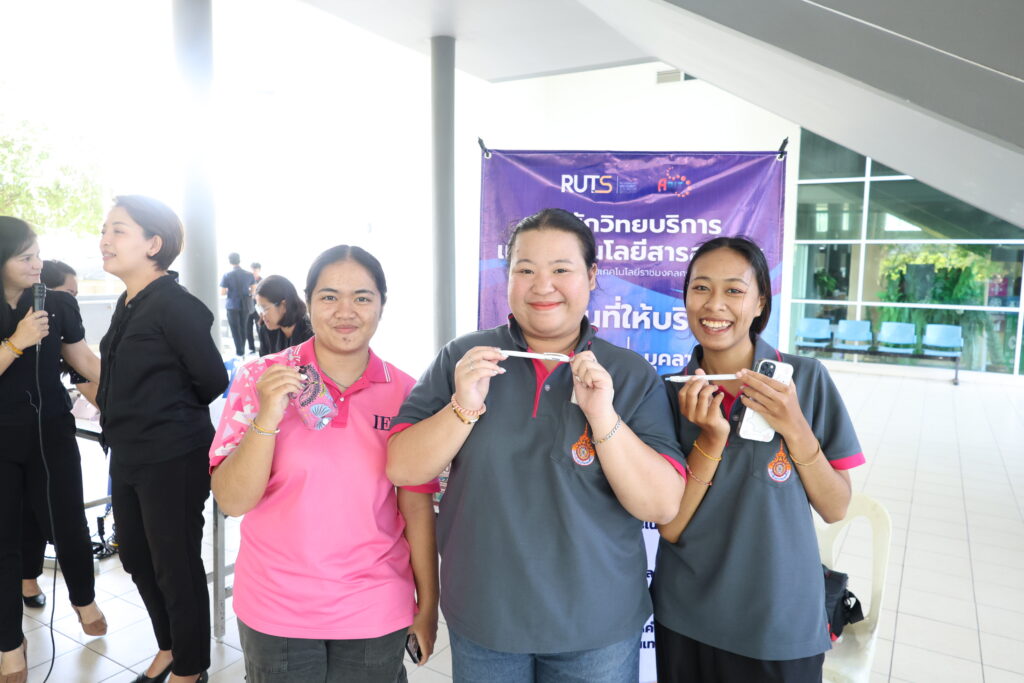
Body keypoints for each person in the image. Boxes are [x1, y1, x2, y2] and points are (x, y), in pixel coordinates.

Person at [388, 208, 686, 683]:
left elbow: (661, 504)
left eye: (561, 269)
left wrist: (603, 416)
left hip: (598, 627)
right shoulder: (464, 359)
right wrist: (463, 406)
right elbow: (403, 468)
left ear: (592, 276)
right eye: (524, 270)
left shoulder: (630, 374)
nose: (542, 286)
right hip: (485, 618)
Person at [210, 245, 439, 682]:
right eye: (329, 296)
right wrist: (267, 417)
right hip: (276, 605)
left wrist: (428, 606)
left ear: (382, 305)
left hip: (375, 603)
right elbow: (232, 501)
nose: (345, 311)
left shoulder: (408, 393)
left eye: (362, 297)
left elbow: (416, 507)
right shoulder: (260, 378)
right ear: (309, 302)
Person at [652, 236, 864, 683]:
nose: (715, 305)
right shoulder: (667, 392)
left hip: (780, 622)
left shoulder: (805, 379)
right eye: (700, 287)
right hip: (687, 616)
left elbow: (836, 507)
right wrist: (710, 439)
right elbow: (670, 526)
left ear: (760, 301)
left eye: (734, 290)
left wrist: (794, 425)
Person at [97, 196, 228, 683]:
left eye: (118, 230)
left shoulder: (176, 305)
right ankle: (170, 647)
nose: (105, 240)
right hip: (128, 452)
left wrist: (162, 411)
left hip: (172, 455)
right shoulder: (128, 302)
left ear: (154, 244)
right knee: (135, 555)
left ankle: (190, 668)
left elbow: (212, 380)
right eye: (105, 230)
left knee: (175, 564)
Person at [0, 217, 106, 683]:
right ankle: (9, 643)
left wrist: (131, 392)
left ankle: (84, 599)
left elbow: (84, 362)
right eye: (26, 257)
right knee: (4, 541)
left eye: (38, 254)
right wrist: (17, 342)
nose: (37, 264)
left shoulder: (57, 303)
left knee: (68, 521)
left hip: (52, 435)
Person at [19, 260, 88, 611]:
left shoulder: (60, 312)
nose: (72, 301)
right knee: (22, 513)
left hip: (53, 424)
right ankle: (26, 580)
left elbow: (83, 363)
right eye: (69, 292)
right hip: (12, 432)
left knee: (64, 512)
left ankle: (84, 600)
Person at [254, 274, 312, 356]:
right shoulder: (265, 330)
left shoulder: (310, 332)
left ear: (284, 305)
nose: (261, 315)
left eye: (264, 308)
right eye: (259, 308)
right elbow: (264, 361)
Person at [220, 253, 255, 356]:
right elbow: (253, 290)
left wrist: (231, 291)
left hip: (232, 305)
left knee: (235, 329)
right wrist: (246, 291)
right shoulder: (249, 274)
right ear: (239, 260)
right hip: (245, 304)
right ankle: (242, 349)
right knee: (243, 327)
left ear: (230, 261)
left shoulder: (227, 275)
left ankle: (239, 351)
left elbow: (222, 292)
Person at [247, 262, 262, 354]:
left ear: (259, 270)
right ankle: (251, 348)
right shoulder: (247, 281)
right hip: (248, 307)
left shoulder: (263, 281)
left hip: (259, 308)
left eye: (255, 270)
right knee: (248, 329)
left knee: (260, 328)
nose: (253, 272)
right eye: (252, 270)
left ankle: (262, 347)